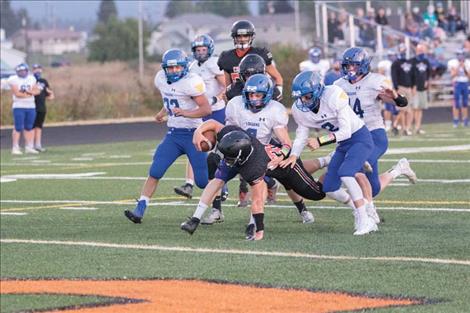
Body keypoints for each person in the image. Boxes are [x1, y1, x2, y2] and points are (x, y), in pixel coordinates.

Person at [181, 74, 324, 240]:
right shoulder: (236, 105)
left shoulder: (274, 110)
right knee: (217, 179)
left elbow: (285, 142)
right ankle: (196, 218)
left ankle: (263, 221)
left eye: (258, 95)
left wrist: (282, 155)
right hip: (235, 149)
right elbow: (218, 127)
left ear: (267, 95)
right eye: (251, 95)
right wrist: (198, 132)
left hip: (260, 153)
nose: (254, 99)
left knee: (278, 182)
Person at [124, 48, 211, 224]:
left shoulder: (191, 82)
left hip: (194, 134)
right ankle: (140, 208)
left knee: (202, 182)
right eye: (170, 68)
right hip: (174, 134)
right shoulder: (161, 79)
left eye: (177, 68)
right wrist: (162, 112)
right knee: (155, 170)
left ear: (184, 67)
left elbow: (206, 109)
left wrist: (185, 113)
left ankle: (217, 201)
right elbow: (170, 100)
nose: (173, 71)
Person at [287, 70, 377, 235]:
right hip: (342, 145)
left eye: (307, 96)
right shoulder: (300, 109)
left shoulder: (334, 95)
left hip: (359, 138)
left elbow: (346, 131)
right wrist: (294, 155)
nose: (303, 101)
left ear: (317, 91)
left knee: (347, 173)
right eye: (300, 97)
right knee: (329, 188)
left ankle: (365, 220)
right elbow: (301, 135)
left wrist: (320, 141)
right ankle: (363, 210)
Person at [334, 47, 417, 223]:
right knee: (374, 187)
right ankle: (399, 169)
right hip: (353, 137)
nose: (350, 70)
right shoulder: (338, 85)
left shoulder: (376, 80)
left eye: (354, 66)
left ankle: (369, 212)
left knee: (355, 168)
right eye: (347, 66)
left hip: (374, 135)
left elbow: (401, 102)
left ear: (363, 65)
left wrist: (394, 96)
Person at [217, 20, 284, 207]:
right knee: (237, 148)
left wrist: (275, 98)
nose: (242, 39)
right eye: (239, 36)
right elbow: (227, 85)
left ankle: (270, 183)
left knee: (264, 150)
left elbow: (277, 78)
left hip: (261, 104)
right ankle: (243, 192)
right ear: (233, 38)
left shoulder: (260, 54)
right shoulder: (227, 58)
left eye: (245, 35)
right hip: (240, 105)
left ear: (251, 36)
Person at [174, 35, 226, 200]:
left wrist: (216, 98)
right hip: (200, 112)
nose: (201, 52)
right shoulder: (191, 66)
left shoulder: (215, 64)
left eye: (203, 49)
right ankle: (189, 184)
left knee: (218, 151)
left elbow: (227, 86)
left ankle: (222, 187)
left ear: (209, 49)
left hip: (216, 111)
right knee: (195, 145)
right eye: (198, 49)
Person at [7, 63, 40, 155]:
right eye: (20, 71)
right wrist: (30, 93)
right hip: (19, 106)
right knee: (18, 127)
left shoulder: (32, 78)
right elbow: (17, 94)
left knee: (29, 127)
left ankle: (29, 146)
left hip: (31, 106)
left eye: (23, 71)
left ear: (27, 71)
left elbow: (37, 91)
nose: (22, 73)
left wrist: (29, 93)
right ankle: (15, 147)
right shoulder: (13, 79)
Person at [391, 44, 414, 135]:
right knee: (403, 109)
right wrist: (396, 88)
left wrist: (413, 86)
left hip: (408, 87)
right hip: (401, 87)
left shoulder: (408, 62)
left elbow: (412, 75)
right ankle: (403, 128)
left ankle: (403, 127)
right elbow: (394, 76)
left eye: (404, 49)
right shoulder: (396, 63)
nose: (403, 51)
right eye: (402, 49)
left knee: (408, 110)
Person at [31, 64, 54, 152]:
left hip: (41, 107)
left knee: (39, 126)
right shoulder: (30, 80)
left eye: (39, 69)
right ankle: (30, 145)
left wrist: (51, 94)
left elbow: (49, 96)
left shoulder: (43, 81)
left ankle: (38, 145)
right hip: (32, 106)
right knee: (31, 126)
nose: (37, 70)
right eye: (35, 69)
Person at [410, 43, 432, 134]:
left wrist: (427, 80)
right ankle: (410, 126)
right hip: (415, 88)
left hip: (423, 88)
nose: (421, 52)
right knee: (414, 108)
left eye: (422, 50)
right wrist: (413, 86)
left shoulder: (426, 61)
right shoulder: (413, 61)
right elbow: (411, 75)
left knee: (420, 108)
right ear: (416, 51)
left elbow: (429, 72)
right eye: (419, 50)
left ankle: (418, 127)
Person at [377, 50, 399, 133]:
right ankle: (388, 124)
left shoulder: (396, 63)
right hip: (387, 87)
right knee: (388, 106)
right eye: (391, 55)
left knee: (396, 107)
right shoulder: (385, 63)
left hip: (394, 87)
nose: (392, 57)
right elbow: (380, 74)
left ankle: (395, 125)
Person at [448, 49, 470, 127]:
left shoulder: (468, 63)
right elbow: (452, 75)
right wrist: (458, 67)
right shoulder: (452, 63)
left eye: (462, 55)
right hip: (457, 83)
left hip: (465, 83)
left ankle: (465, 119)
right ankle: (456, 120)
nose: (460, 57)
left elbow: (469, 76)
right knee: (456, 103)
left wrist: (464, 68)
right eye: (459, 55)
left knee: (465, 103)